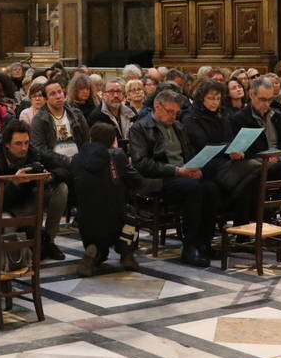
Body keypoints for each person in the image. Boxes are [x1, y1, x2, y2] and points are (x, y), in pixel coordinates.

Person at [127, 90, 221, 268]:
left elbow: (189, 153)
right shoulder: (140, 128)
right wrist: (177, 171)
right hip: (157, 179)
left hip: (182, 174)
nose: (173, 116)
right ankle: (189, 247)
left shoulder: (178, 126)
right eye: (170, 111)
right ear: (157, 106)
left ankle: (204, 243)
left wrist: (195, 168)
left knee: (211, 188)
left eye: (176, 112)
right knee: (193, 189)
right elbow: (142, 164)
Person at [0, 119, 69, 261]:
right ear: (7, 144)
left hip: (30, 200)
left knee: (61, 188)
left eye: (26, 142)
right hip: (6, 206)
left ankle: (48, 240)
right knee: (7, 227)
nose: (24, 148)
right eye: (18, 144)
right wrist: (14, 182)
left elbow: (65, 167)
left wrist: (51, 176)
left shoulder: (33, 152)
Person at [72, 123, 140, 276]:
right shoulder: (117, 156)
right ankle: (126, 253)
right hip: (115, 218)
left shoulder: (77, 158)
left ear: (90, 139)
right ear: (113, 141)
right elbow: (136, 181)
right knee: (131, 211)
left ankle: (95, 251)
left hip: (86, 220)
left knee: (97, 236)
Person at [28, 79, 89, 173]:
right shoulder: (39, 120)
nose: (58, 96)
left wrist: (81, 159)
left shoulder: (76, 114)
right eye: (52, 94)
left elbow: (86, 140)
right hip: (54, 168)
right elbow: (40, 149)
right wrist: (67, 160)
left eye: (60, 92)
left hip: (79, 163)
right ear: (45, 99)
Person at [87, 77, 134, 143]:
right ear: (103, 95)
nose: (116, 95)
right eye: (111, 92)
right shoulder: (96, 117)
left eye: (118, 91)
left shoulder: (131, 112)